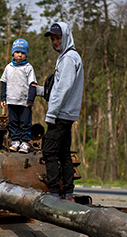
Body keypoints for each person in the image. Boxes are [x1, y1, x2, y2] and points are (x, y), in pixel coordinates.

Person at [37, 22, 84, 200]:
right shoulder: (68, 57)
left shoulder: (69, 58)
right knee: (64, 153)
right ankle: (68, 193)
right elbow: (57, 87)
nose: (55, 42)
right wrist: (38, 90)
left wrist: (51, 114)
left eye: (58, 38)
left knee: (49, 151)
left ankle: (54, 193)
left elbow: (63, 89)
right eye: (53, 39)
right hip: (66, 114)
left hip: (61, 114)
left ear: (66, 37)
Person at [0, 38, 37, 154]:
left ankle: (25, 142)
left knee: (25, 123)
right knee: (13, 122)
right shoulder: (8, 67)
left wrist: (31, 100)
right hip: (11, 101)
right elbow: (3, 82)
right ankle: (15, 141)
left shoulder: (28, 68)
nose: (20, 55)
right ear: (13, 53)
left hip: (24, 102)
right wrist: (3, 98)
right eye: (17, 52)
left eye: (22, 53)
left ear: (26, 54)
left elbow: (32, 84)